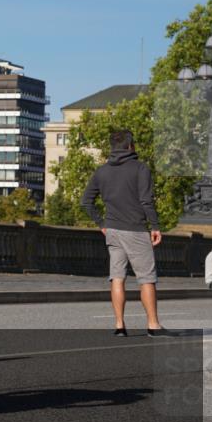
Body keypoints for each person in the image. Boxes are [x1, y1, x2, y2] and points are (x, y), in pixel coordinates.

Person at [81, 130, 169, 337]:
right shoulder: (140, 169)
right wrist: (155, 226)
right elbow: (146, 201)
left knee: (117, 278)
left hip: (112, 230)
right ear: (131, 145)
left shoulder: (101, 171)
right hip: (136, 229)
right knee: (146, 279)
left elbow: (86, 202)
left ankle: (120, 325)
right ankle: (153, 325)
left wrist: (101, 223)